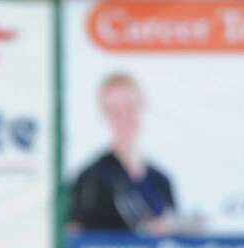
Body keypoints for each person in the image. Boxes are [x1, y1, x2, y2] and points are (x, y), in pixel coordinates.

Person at [68, 72, 179, 235]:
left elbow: (174, 235)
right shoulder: (89, 180)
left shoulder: (161, 181)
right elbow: (73, 235)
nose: (124, 117)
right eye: (115, 111)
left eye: (130, 107)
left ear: (143, 107)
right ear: (105, 115)